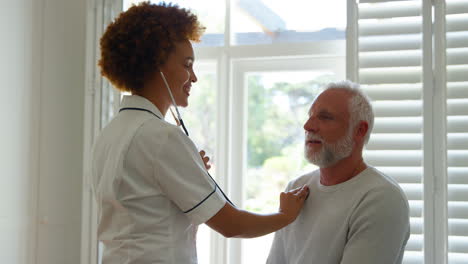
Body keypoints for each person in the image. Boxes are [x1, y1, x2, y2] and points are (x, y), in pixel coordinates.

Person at [90, 2, 309, 264]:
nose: (193, 77)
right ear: (155, 64)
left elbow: (145, 209)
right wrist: (285, 216)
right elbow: (231, 225)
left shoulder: (111, 133)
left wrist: (188, 175)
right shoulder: (162, 138)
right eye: (187, 64)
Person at [266, 81, 410, 264]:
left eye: (325, 117)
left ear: (360, 130)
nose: (308, 125)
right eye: (310, 116)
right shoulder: (296, 189)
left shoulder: (381, 198)